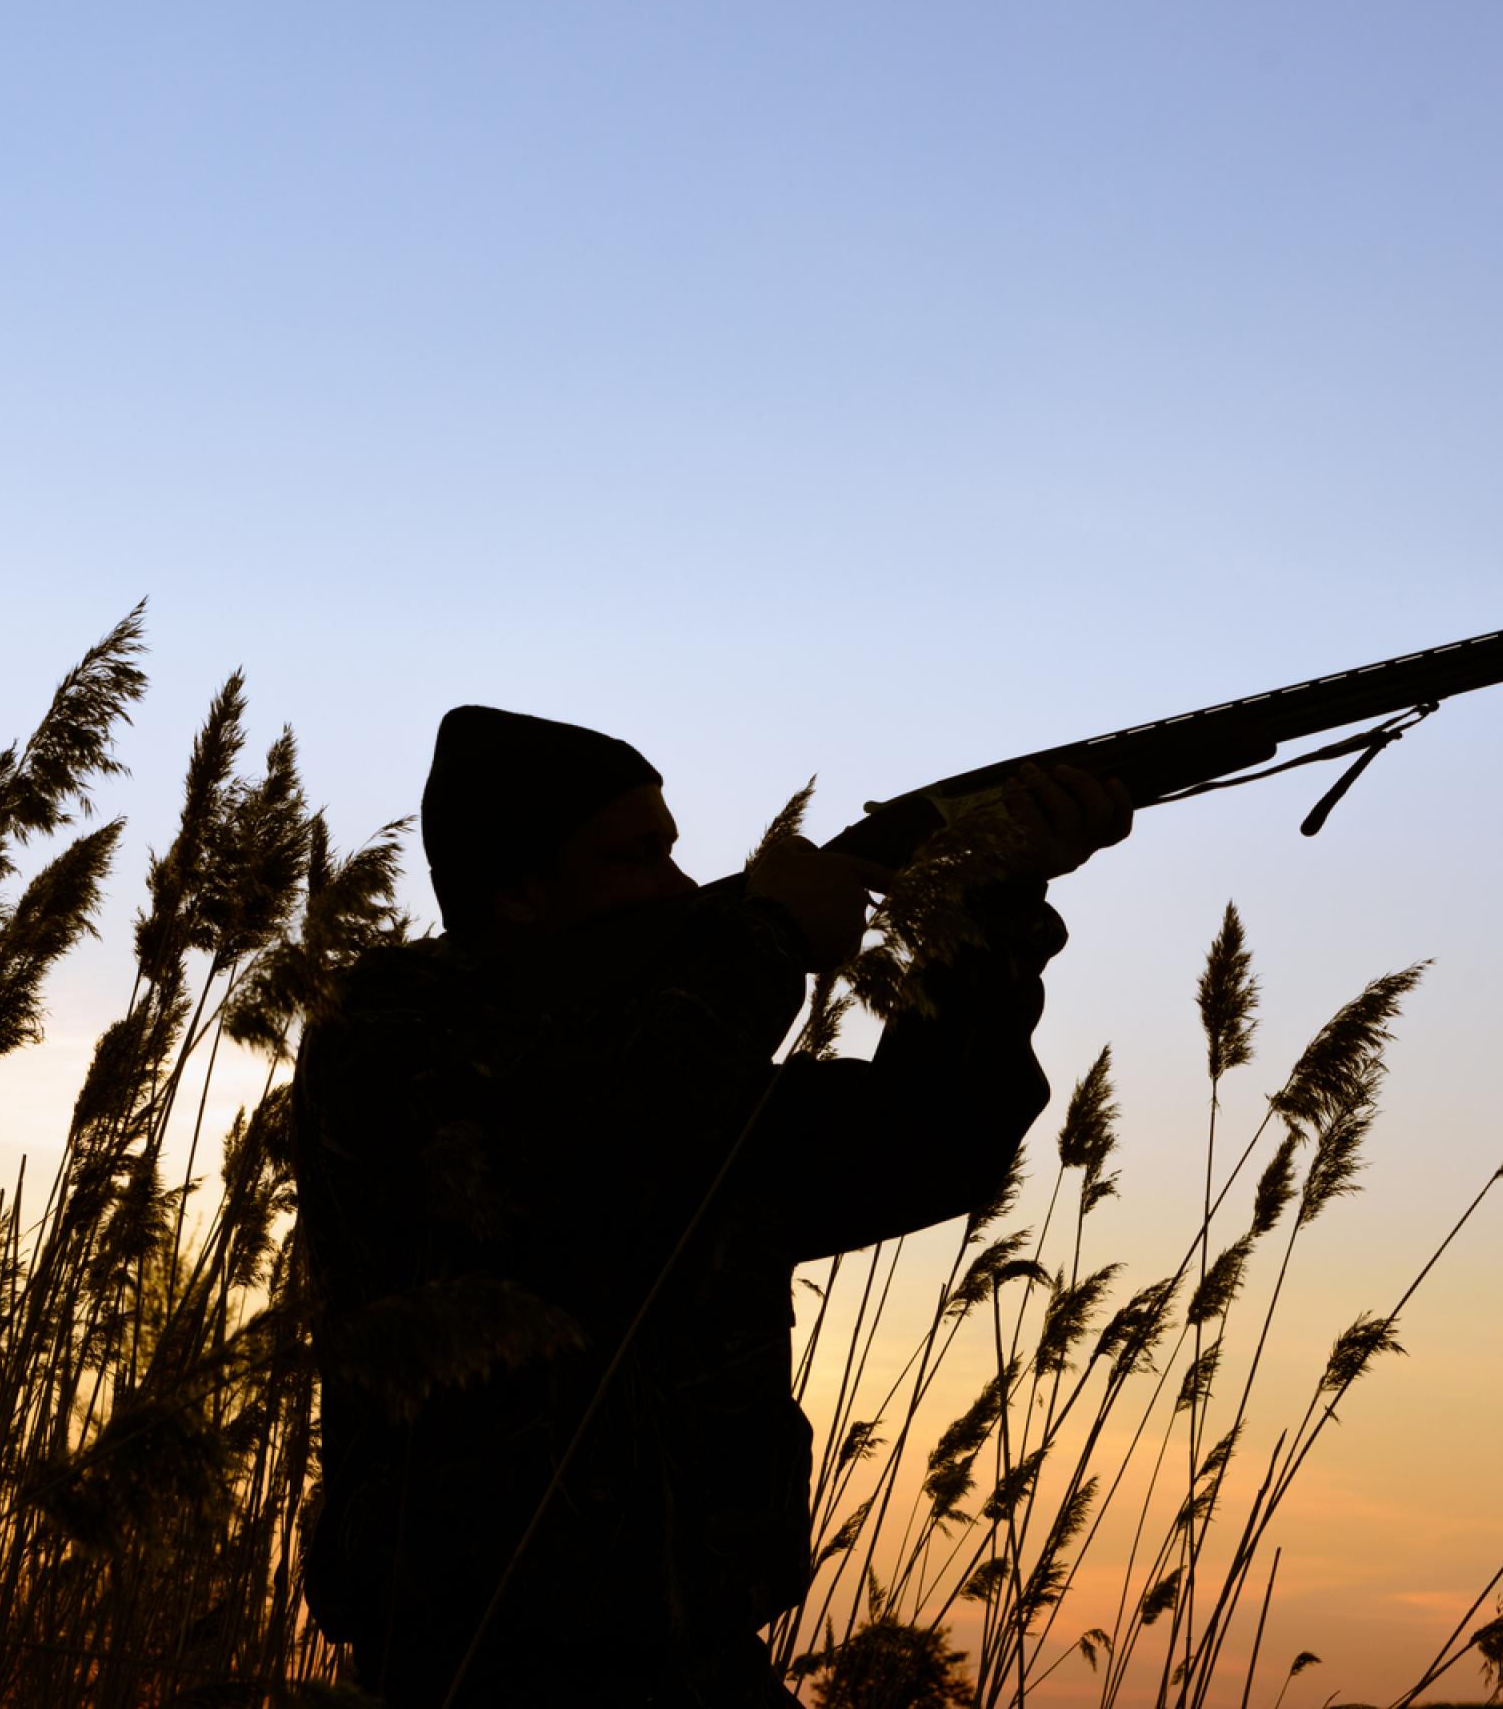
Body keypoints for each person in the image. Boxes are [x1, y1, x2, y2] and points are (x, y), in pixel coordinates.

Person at [292, 707, 1130, 1707]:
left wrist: (988, 906)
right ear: (516, 891)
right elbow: (613, 1129)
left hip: (694, 1652)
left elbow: (927, 1141)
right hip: (478, 1666)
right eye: (637, 857)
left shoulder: (675, 1081)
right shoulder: (394, 1041)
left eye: (673, 851)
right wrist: (771, 933)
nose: (683, 890)